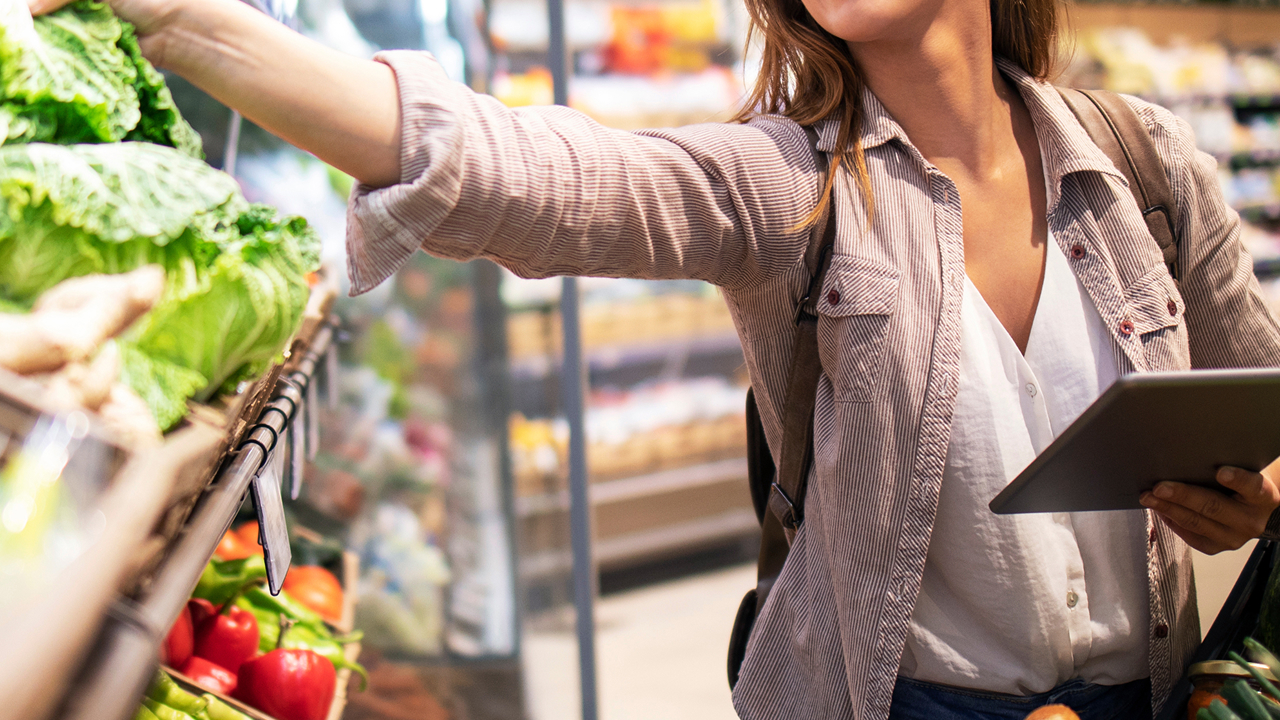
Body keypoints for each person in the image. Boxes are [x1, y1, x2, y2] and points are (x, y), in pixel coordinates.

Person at [25, 0, 1280, 715]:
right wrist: (168, 16)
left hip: (1153, 695)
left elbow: (1261, 416)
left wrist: (1248, 500)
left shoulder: (1142, 167)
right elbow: (523, 174)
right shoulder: (791, 183)